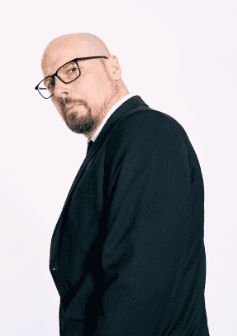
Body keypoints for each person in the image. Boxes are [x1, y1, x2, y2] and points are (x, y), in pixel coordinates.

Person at [36, 33, 209, 335]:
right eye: (50, 83)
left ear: (113, 67)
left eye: (71, 70)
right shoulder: (111, 145)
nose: (60, 89)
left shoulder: (148, 134)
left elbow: (140, 280)